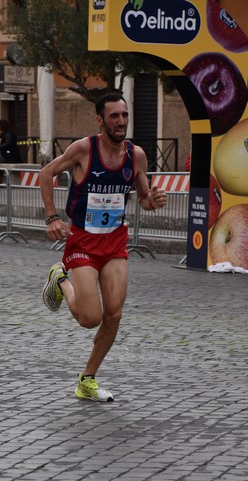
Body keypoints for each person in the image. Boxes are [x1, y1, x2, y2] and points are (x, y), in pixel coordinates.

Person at [40, 92, 167, 402]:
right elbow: (46, 175)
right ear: (100, 119)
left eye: (124, 115)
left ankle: (87, 379)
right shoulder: (84, 149)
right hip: (83, 240)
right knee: (90, 318)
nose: (121, 121)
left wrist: (153, 201)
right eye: (114, 116)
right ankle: (61, 280)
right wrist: (52, 217)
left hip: (114, 241)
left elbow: (144, 196)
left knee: (114, 313)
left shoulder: (136, 155)